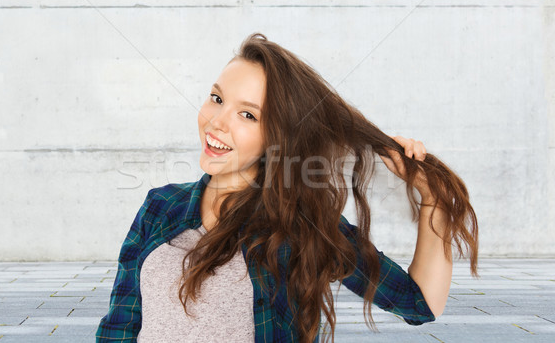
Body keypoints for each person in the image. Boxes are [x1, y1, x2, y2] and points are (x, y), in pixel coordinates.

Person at [96, 33, 478, 343]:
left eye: (248, 114)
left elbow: (420, 303)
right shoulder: (160, 206)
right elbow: (120, 326)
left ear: (277, 136)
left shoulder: (302, 226)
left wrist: (434, 201)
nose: (216, 122)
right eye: (217, 98)